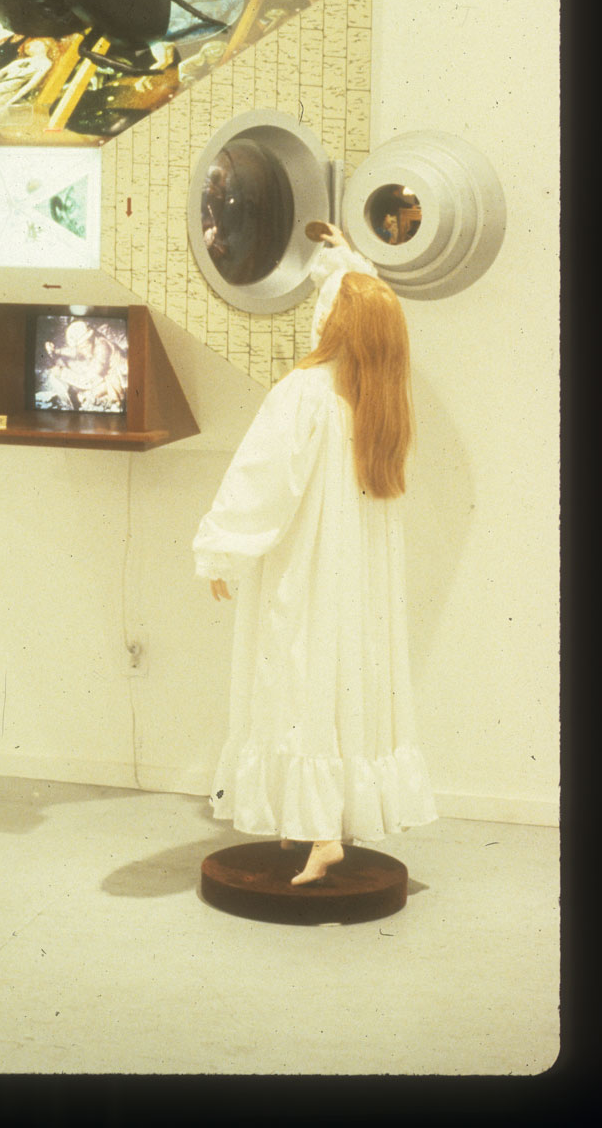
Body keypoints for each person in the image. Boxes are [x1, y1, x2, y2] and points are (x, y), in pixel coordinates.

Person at [192, 222, 436, 886]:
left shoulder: (304, 392)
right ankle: (328, 819)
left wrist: (221, 549)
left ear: (330, 322)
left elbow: (260, 481)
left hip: (305, 568)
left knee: (297, 678)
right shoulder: (378, 401)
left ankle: (320, 832)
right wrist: (348, 256)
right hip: (355, 580)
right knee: (347, 684)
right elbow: (368, 296)